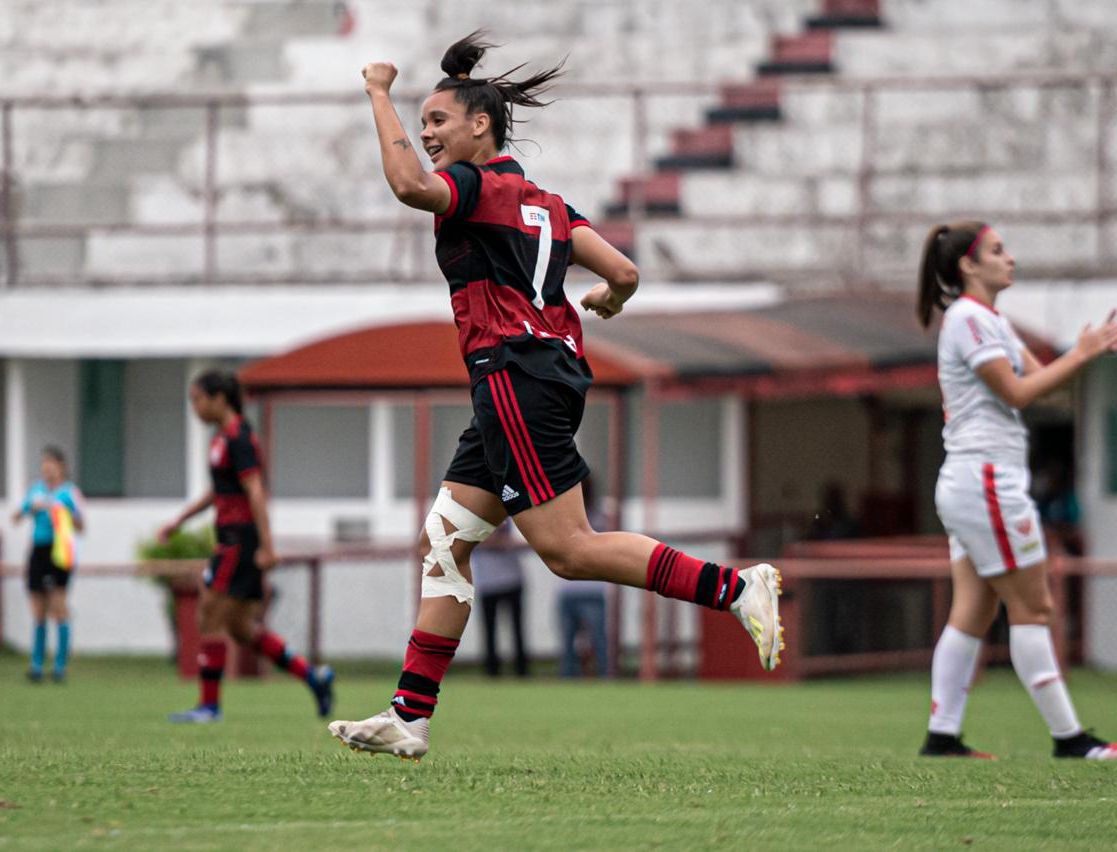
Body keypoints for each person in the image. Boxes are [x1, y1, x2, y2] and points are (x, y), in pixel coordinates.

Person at [328, 32, 782, 761]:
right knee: (444, 541)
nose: (426, 134)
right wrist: (604, 299)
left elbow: (411, 187)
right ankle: (409, 715)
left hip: (514, 376)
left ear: (481, 125)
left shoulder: (474, 189)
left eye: (437, 122)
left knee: (569, 552)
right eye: (420, 124)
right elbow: (627, 272)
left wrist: (377, 92)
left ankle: (736, 587)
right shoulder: (549, 203)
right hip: (534, 377)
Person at [916, 220, 1117, 761]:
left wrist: (1088, 351)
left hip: (974, 482)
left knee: (972, 610)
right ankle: (1070, 739)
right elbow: (1016, 391)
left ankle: (942, 737)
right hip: (986, 481)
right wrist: (1080, 354)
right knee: (1035, 607)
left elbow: (1043, 380)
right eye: (996, 250)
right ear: (968, 265)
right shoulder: (968, 319)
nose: (1009, 258)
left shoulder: (990, 320)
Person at [162, 368, 334, 723]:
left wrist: (267, 546)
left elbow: (255, 490)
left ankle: (209, 707)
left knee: (208, 614)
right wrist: (181, 519)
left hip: (238, 540)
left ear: (219, 399)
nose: (194, 407)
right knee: (242, 628)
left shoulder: (240, 437)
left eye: (197, 399)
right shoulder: (221, 438)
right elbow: (221, 491)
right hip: (233, 537)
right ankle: (312, 676)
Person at [11, 447, 82, 683]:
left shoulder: (69, 493)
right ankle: (36, 665)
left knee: (59, 607)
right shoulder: (36, 491)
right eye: (44, 464)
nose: (47, 468)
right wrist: (32, 508)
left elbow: (81, 526)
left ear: (61, 466)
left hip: (59, 552)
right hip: (38, 552)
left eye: (51, 463)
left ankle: (60, 666)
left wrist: (64, 513)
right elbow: (15, 517)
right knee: (38, 610)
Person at [556, 476, 609, 678]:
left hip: (578, 588)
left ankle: (600, 678)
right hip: (586, 589)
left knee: (576, 646)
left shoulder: (595, 517)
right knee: (597, 643)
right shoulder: (600, 518)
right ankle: (606, 680)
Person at [471, 520, 528, 677]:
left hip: (512, 579)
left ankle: (522, 670)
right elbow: (472, 542)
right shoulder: (474, 514)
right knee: (489, 630)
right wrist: (498, 543)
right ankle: (492, 671)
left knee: (517, 629)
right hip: (488, 582)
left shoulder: (507, 513)